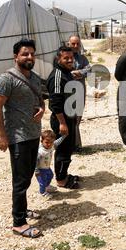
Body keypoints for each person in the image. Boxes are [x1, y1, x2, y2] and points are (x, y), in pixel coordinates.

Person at [0, 38, 45, 239]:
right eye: (25, 53)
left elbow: (40, 99)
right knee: (20, 180)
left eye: (32, 53)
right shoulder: (6, 79)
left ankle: (22, 209)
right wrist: (2, 136)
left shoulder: (35, 77)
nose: (29, 57)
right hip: (18, 137)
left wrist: (42, 108)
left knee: (28, 175)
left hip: (34, 134)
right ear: (16, 57)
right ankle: (19, 222)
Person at [46, 45, 81, 189]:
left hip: (69, 118)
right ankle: (61, 180)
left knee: (68, 148)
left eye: (71, 58)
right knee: (62, 150)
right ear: (58, 59)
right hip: (62, 120)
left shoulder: (67, 72)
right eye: (65, 58)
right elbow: (55, 103)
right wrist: (62, 123)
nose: (69, 60)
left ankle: (64, 174)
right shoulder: (57, 76)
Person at [68, 35, 91, 153]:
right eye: (73, 44)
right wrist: (73, 74)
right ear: (69, 44)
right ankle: (69, 145)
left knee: (78, 116)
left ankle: (76, 144)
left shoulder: (82, 58)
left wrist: (78, 72)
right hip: (68, 91)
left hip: (80, 90)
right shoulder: (63, 57)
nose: (75, 46)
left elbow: (89, 70)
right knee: (69, 116)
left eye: (77, 44)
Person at [35, 130, 66, 199]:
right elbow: (35, 161)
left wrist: (64, 136)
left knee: (50, 175)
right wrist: (36, 171)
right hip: (40, 169)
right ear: (42, 141)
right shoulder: (41, 152)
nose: (49, 144)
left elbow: (57, 142)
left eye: (51, 142)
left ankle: (47, 186)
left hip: (47, 168)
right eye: (46, 142)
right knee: (42, 182)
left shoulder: (51, 146)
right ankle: (42, 192)